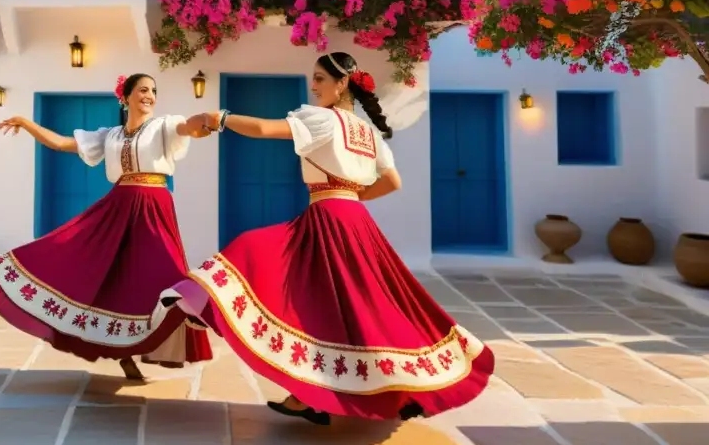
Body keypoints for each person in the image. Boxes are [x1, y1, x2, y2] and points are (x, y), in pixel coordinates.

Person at [153, 52, 493, 424]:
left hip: (328, 218)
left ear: (342, 83)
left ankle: (322, 391)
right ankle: (331, 394)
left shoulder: (322, 119)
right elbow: (393, 182)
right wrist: (352, 197)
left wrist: (222, 119)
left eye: (319, 79)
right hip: (355, 220)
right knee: (357, 305)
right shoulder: (367, 133)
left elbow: (266, 130)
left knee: (267, 262)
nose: (313, 86)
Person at [0, 73, 214, 380]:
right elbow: (61, 143)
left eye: (153, 90)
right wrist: (27, 123)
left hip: (154, 208)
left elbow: (188, 127)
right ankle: (123, 351)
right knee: (107, 271)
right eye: (142, 90)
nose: (149, 95)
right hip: (119, 206)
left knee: (166, 275)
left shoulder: (163, 126)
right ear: (125, 97)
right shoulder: (109, 135)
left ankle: (151, 339)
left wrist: (204, 122)